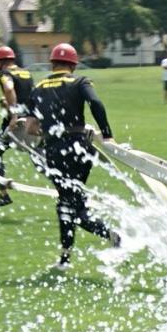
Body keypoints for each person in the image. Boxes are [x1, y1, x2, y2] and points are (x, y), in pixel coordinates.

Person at [28, 42, 120, 270]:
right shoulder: (80, 81)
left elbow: (31, 128)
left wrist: (47, 128)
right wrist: (107, 134)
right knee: (68, 203)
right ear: (73, 64)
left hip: (55, 151)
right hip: (80, 147)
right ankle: (67, 255)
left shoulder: (38, 87)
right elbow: (95, 103)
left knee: (69, 204)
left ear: (52, 63)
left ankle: (109, 238)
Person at [0, 45, 34, 208]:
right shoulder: (26, 73)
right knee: (39, 159)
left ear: (0, 62)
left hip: (16, 124)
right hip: (31, 122)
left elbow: (9, 88)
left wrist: (14, 114)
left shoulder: (4, 74)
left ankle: (3, 194)